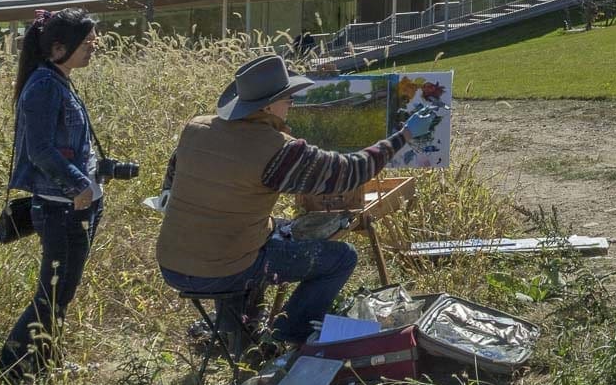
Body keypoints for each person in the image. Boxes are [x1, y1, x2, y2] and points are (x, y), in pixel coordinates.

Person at [156, 54, 440, 349]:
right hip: (224, 270)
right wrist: (404, 134)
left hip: (173, 264)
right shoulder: (276, 148)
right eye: (286, 97)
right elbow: (350, 172)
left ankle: (240, 328)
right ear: (267, 106)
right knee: (342, 257)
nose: (292, 101)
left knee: (269, 232)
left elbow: (172, 180)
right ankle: (289, 333)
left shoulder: (196, 128)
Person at [0, 8, 107, 385]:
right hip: (63, 208)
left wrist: (101, 170)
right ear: (59, 47)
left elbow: (69, 144)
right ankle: (12, 371)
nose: (94, 48)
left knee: (62, 292)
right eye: (88, 43)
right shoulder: (44, 85)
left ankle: (45, 364)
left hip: (77, 205)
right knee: (53, 293)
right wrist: (78, 184)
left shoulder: (59, 80)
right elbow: (40, 149)